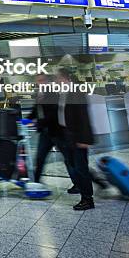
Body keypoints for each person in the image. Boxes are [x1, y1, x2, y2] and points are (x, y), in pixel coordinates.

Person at [56, 68, 96, 210]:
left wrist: (85, 139)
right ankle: (82, 190)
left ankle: (87, 200)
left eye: (58, 78)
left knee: (81, 168)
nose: (56, 81)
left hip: (78, 137)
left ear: (64, 78)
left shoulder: (75, 92)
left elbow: (83, 117)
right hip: (67, 135)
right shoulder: (63, 92)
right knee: (73, 165)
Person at [28, 73, 77, 185]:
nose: (40, 83)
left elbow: (53, 113)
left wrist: (38, 122)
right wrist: (27, 119)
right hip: (46, 133)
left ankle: (80, 184)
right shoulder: (39, 94)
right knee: (40, 158)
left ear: (47, 81)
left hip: (57, 132)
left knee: (70, 159)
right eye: (38, 81)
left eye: (42, 80)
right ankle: (36, 183)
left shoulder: (53, 93)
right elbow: (35, 110)